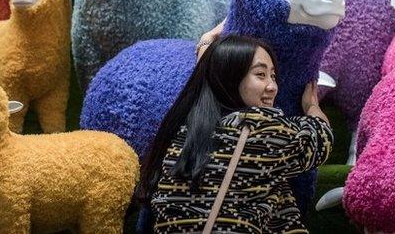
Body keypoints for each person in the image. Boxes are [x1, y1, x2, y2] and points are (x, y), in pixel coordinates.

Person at [139, 35, 333, 233]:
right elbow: (321, 138)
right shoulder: (263, 131)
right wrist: (312, 106)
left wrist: (206, 43)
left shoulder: (180, 132)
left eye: (273, 76)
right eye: (260, 74)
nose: (273, 87)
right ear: (230, 77)